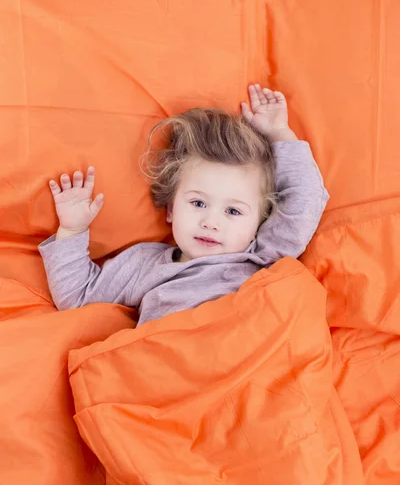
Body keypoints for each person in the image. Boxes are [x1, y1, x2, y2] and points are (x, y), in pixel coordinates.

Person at [39, 84, 329, 326]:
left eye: (233, 211)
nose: (211, 222)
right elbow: (78, 296)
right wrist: (72, 230)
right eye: (198, 203)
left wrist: (279, 133)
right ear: (171, 209)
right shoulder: (144, 265)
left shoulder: (262, 256)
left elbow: (305, 200)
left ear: (258, 224)